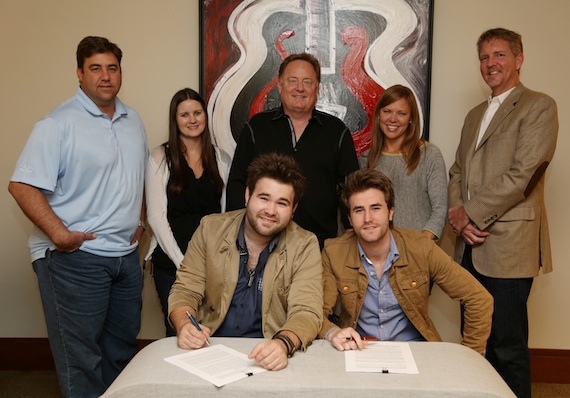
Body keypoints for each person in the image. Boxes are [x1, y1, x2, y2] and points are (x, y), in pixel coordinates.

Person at [8, 36, 148, 397]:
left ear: (121, 73)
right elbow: (22, 185)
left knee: (120, 352)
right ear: (79, 74)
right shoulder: (57, 123)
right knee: (80, 358)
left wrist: (140, 220)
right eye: (95, 68)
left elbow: (139, 177)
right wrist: (60, 235)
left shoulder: (133, 120)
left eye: (112, 68)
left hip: (124, 259)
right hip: (76, 260)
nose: (105, 76)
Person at [448, 28, 558, 398]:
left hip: (508, 246)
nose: (490, 64)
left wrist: (471, 215)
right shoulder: (474, 114)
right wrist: (457, 215)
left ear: (519, 59)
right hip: (469, 248)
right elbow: (457, 172)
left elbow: (523, 174)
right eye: (484, 57)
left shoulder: (539, 106)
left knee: (507, 347)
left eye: (499, 55)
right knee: (475, 341)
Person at [169, 152, 323, 371]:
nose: (270, 211)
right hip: (209, 349)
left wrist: (283, 343)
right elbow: (185, 290)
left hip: (268, 354)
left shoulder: (305, 245)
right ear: (247, 194)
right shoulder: (210, 229)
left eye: (282, 203)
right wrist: (185, 325)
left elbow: (307, 311)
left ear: (293, 209)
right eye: (264, 198)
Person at [320, 169, 493, 355]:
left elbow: (479, 299)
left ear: (391, 212)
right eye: (359, 210)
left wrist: (470, 357)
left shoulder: (421, 248)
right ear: (350, 219)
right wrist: (333, 332)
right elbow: (314, 312)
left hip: (415, 350)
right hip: (360, 350)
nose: (368, 218)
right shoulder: (334, 252)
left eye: (376, 208)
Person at [226, 53, 359, 247]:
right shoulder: (257, 127)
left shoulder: (337, 131)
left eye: (307, 82)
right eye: (292, 81)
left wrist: (351, 233)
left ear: (317, 88)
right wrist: (238, 235)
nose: (300, 88)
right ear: (280, 86)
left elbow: (350, 189)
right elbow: (237, 183)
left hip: (318, 245)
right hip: (261, 242)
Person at [144, 88, 231, 337]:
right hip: (171, 263)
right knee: (180, 332)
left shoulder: (221, 159)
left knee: (210, 330)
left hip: (210, 263)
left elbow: (225, 217)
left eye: (197, 113)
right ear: (175, 119)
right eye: (184, 115)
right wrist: (182, 263)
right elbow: (156, 217)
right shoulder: (160, 157)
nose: (192, 120)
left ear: (205, 116)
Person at [360, 84, 447, 239]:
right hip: (377, 253)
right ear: (379, 115)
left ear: (411, 119)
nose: (393, 119)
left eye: (401, 113)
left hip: (418, 252)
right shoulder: (367, 159)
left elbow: (440, 209)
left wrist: (419, 245)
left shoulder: (429, 155)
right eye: (387, 111)